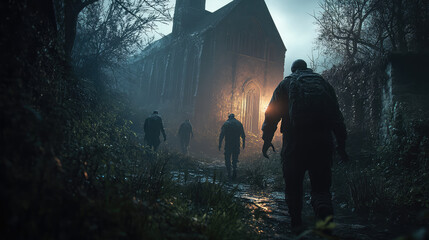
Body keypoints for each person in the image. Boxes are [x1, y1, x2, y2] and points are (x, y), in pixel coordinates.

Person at [261, 59, 349, 232]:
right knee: (321, 186)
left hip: (294, 143)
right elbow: (336, 116)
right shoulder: (323, 83)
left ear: (293, 70)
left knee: (293, 184)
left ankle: (296, 223)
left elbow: (271, 115)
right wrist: (341, 145)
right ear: (307, 68)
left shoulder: (286, 83)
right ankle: (323, 212)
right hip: (322, 142)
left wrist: (266, 141)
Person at [219, 113, 245, 179]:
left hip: (228, 144)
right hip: (236, 144)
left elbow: (221, 135)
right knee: (235, 158)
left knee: (227, 158)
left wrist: (220, 144)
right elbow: (243, 135)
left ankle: (229, 173)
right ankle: (234, 171)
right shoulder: (239, 124)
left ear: (229, 117)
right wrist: (243, 144)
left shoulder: (226, 123)